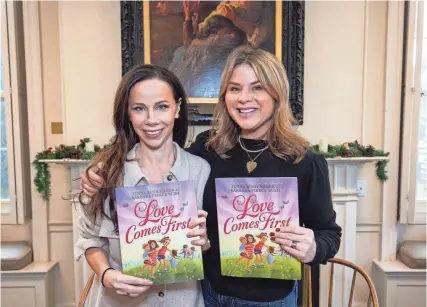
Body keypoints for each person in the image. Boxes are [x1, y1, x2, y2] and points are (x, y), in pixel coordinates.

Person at [81, 45, 342, 306]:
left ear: (277, 94)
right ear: (224, 95)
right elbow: (157, 153)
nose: (244, 98)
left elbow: (329, 234)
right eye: (235, 88)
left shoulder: (304, 161)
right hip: (208, 294)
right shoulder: (208, 151)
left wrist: (314, 248)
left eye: (257, 87)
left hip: (271, 299)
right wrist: (104, 168)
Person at [75, 64, 211, 306]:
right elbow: (89, 240)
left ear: (177, 109)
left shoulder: (202, 170)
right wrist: (107, 275)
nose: (151, 120)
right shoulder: (105, 175)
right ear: (127, 113)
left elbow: (216, 243)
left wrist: (206, 242)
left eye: (162, 107)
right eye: (139, 108)